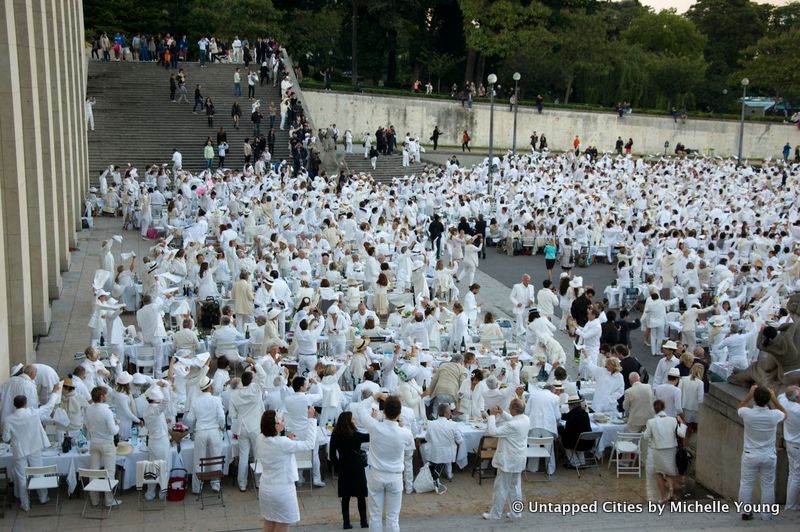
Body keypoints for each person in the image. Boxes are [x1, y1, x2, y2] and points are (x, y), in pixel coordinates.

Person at [1, 383, 60, 511]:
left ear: (14, 405)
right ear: (26, 403)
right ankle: (43, 497)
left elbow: (5, 439)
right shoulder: (33, 413)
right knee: (38, 472)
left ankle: (25, 503)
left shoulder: (8, 419)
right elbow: (49, 406)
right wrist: (55, 392)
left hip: (19, 450)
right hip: (34, 447)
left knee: (22, 477)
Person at [256, 409, 317, 532]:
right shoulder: (283, 443)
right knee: (282, 525)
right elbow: (310, 444)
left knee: (269, 522)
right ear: (276, 426)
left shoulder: (260, 438)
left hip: (266, 488)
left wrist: (286, 438)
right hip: (282, 490)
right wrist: (311, 419)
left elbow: (275, 443)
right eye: (282, 421)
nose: (284, 423)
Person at [362, 395, 414, 532]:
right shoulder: (405, 433)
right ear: (399, 413)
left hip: (376, 474)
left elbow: (361, 409)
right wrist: (402, 427)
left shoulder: (374, 426)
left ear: (384, 411)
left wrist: (374, 397)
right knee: (392, 518)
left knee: (375, 516)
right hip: (395, 476)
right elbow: (410, 448)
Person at [737, 385, 786, 520]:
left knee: (746, 483)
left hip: (750, 454)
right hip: (769, 455)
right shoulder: (774, 415)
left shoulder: (748, 413)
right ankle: (766, 514)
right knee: (768, 485)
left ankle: (745, 512)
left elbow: (740, 407)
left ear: (755, 398)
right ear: (768, 399)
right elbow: (784, 413)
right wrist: (774, 399)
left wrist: (749, 395)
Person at [482, 398, 529, 520]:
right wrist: (502, 413)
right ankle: (516, 513)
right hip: (518, 458)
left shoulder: (512, 425)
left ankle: (495, 514)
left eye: (510, 407)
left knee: (501, 488)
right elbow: (513, 420)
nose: (508, 408)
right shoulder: (525, 419)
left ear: (513, 409)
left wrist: (491, 416)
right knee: (515, 487)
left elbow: (493, 432)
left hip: (509, 460)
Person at [229, 361, 268, 491]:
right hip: (256, 426)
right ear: (251, 381)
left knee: (243, 456)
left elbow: (232, 415)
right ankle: (258, 482)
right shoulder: (256, 388)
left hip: (242, 427)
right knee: (258, 455)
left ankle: (242, 483)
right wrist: (255, 363)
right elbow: (263, 376)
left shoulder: (234, 394)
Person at [330, 411, 370, 529]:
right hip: (357, 467)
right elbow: (370, 437)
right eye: (353, 419)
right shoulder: (356, 435)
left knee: (345, 497)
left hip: (344, 467)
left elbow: (332, 456)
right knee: (361, 496)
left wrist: (338, 466)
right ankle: (364, 522)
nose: (354, 421)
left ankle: (346, 523)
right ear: (348, 421)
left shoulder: (335, 435)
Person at [186, 376, 225, 494]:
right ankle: (215, 485)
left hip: (201, 431)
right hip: (214, 431)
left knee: (198, 460)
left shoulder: (196, 401)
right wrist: (221, 427)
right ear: (210, 388)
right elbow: (222, 417)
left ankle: (197, 487)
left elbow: (190, 419)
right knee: (215, 458)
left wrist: (192, 431)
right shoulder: (216, 400)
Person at [643, 399, 687, 502]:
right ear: (664, 408)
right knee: (670, 472)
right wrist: (682, 423)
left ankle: (663, 496)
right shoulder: (672, 420)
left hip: (657, 450)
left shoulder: (651, 422)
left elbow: (646, 436)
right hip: (671, 450)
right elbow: (682, 434)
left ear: (654, 409)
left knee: (658, 473)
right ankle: (671, 491)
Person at [84, 386, 121, 507]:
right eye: (105, 395)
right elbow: (113, 431)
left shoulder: (89, 409)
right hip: (106, 444)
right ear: (101, 396)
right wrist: (117, 425)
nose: (107, 397)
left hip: (94, 443)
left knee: (93, 470)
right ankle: (108, 500)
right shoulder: (106, 411)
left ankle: (94, 499)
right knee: (109, 472)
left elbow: (86, 425)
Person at [425, 403, 463, 485]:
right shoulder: (453, 425)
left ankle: (435, 472)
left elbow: (427, 438)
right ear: (446, 413)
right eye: (449, 410)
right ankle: (449, 474)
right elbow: (459, 440)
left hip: (435, 452)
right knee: (448, 450)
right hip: (449, 453)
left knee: (426, 447)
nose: (451, 412)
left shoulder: (431, 424)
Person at [777, 386, 800, 510]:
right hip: (798, 445)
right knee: (796, 476)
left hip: (790, 443)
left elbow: (781, 395)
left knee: (792, 474)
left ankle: (790, 503)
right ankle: (791, 505)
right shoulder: (798, 410)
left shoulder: (784, 402)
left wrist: (791, 389)